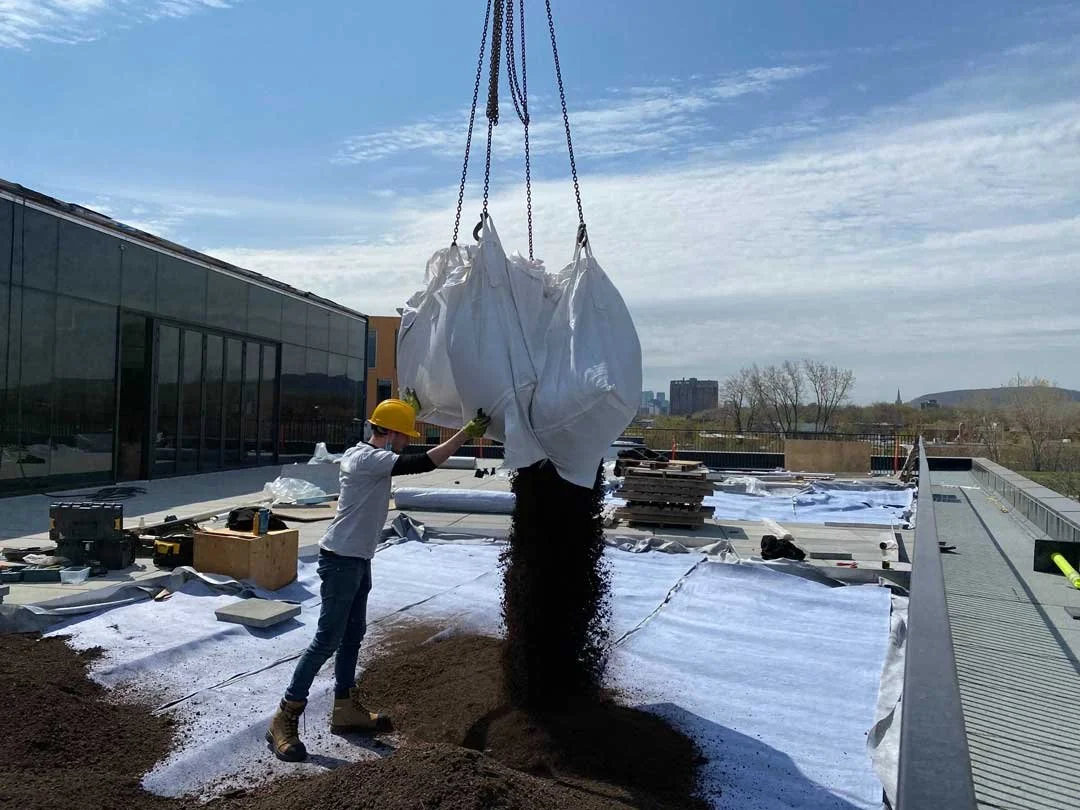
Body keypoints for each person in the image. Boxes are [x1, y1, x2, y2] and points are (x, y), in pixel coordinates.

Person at [266, 392, 490, 762]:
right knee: (327, 640)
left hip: (357, 559)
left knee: (353, 635)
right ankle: (284, 718)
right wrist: (465, 433)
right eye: (405, 434)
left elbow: (404, 447)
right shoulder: (366, 458)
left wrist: (410, 411)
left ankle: (345, 707)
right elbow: (425, 462)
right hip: (339, 561)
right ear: (389, 434)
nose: (407, 441)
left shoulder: (375, 454)